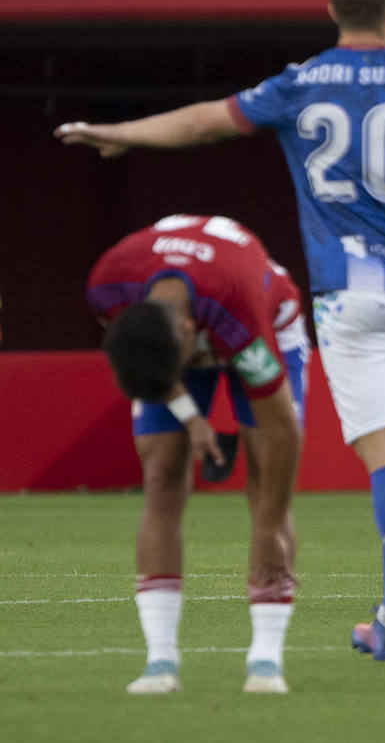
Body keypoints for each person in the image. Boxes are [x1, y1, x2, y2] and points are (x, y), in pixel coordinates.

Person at [57, 0, 385, 662]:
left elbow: (202, 123)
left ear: (330, 8)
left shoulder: (301, 83)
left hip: (349, 295)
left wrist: (121, 134)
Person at [86, 214, 308, 694]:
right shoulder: (110, 285)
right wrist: (191, 417)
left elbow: (284, 435)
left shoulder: (239, 314)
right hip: (185, 324)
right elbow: (147, 364)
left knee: (265, 483)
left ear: (190, 333)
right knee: (162, 476)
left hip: (263, 315)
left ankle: (266, 659)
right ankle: (160, 660)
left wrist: (268, 530)